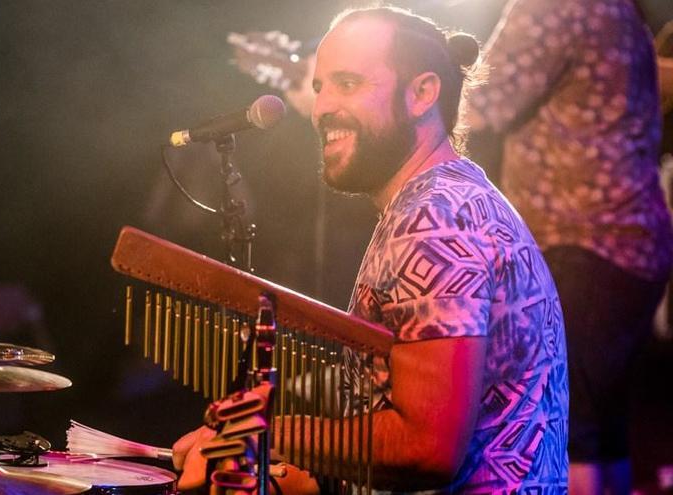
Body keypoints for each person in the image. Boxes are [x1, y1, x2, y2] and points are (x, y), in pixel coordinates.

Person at [174, 6, 568, 492]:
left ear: (422, 93)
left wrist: (259, 432)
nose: (321, 108)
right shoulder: (446, 199)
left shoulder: (438, 220)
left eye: (348, 83)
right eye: (320, 88)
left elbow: (427, 448)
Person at [465, 0, 673, 493]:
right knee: (601, 430)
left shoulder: (552, 6)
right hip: (630, 249)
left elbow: (478, 103)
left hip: (580, 246)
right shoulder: (618, 8)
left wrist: (392, 90)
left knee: (563, 429)